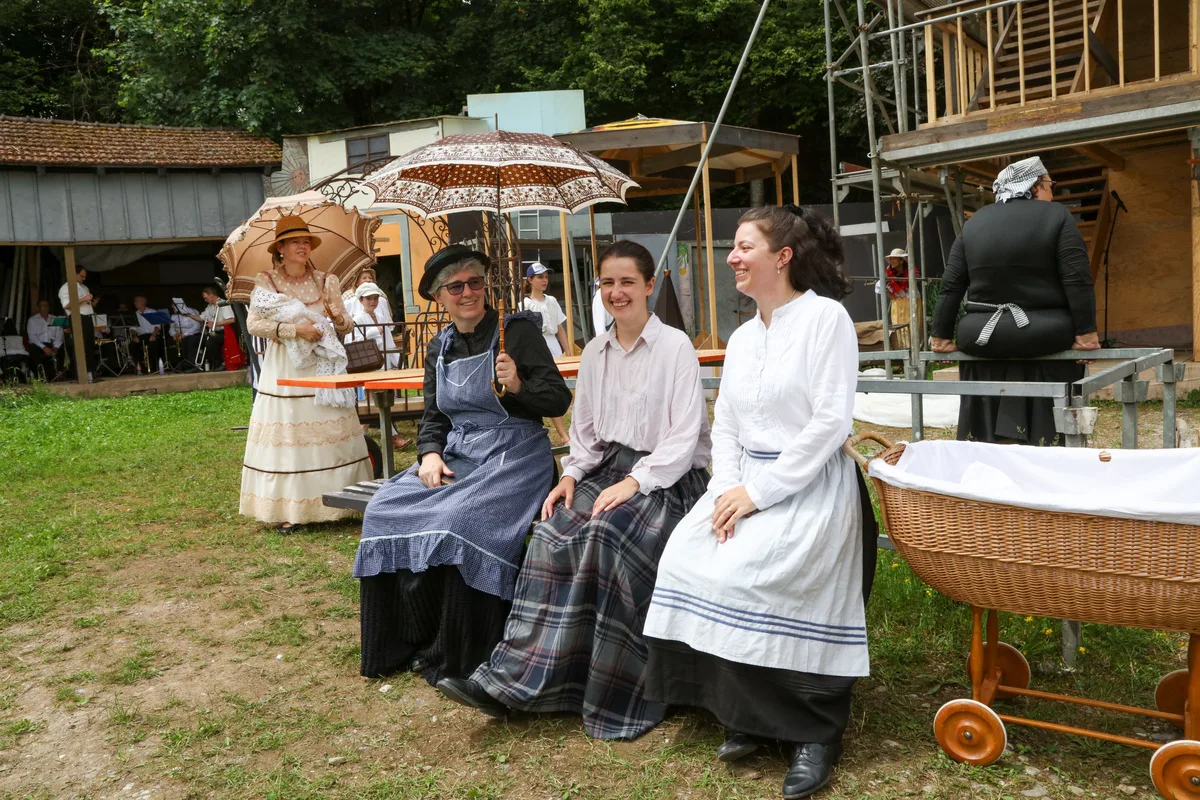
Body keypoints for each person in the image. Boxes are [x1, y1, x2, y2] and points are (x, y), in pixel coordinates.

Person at [642, 205, 878, 800]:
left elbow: (830, 424)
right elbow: (727, 426)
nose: (732, 257)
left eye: (744, 246)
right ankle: (749, 715)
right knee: (687, 560)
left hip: (811, 483)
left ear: (783, 256)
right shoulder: (744, 336)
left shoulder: (827, 321)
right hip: (743, 482)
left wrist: (761, 493)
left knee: (753, 575)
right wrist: (726, 492)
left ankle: (814, 733)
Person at [436, 240, 711, 739]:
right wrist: (569, 477)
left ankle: (615, 689)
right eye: (607, 282)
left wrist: (635, 482)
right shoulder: (597, 353)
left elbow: (683, 438)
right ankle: (513, 682)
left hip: (667, 479)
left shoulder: (675, 348)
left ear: (649, 286)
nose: (617, 292)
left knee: (604, 534)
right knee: (550, 531)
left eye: (627, 282)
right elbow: (584, 435)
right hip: (607, 471)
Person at [354, 245, 572, 686]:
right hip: (458, 453)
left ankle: (453, 649)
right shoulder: (439, 347)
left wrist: (518, 385)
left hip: (516, 455)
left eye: (475, 282)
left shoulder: (519, 332)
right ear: (440, 297)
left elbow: (557, 399)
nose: (469, 292)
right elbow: (434, 417)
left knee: (461, 520)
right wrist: (429, 453)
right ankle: (401, 642)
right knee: (383, 508)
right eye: (456, 287)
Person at [930, 155, 1100, 446]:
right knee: (1039, 342)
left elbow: (951, 286)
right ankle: (1045, 442)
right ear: (1034, 186)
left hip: (982, 335)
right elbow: (1077, 279)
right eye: (1050, 185)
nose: (1052, 192)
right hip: (1044, 332)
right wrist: (1086, 334)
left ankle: (987, 442)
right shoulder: (1057, 216)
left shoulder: (975, 222)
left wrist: (941, 337)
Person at [239, 215, 373, 534]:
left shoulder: (327, 280)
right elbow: (254, 325)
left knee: (331, 432)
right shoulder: (266, 282)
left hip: (322, 365)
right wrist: (293, 329)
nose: (303, 246)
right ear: (280, 248)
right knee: (292, 435)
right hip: (284, 364)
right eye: (295, 241)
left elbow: (346, 327)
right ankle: (293, 509)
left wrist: (337, 318)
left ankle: (343, 501)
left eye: (306, 241)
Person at [350, 281, 410, 450]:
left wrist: (395, 362)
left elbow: (388, 342)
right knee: (376, 399)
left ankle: (363, 437)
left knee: (378, 401)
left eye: (375, 298)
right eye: (369, 298)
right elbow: (354, 342)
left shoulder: (382, 317)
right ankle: (392, 436)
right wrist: (376, 331)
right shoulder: (357, 319)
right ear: (361, 300)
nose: (373, 301)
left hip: (383, 363)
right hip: (369, 365)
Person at [520, 262, 571, 445]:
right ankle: (563, 435)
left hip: (553, 346)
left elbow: (560, 329)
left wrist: (568, 352)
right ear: (530, 280)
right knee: (545, 389)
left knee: (559, 389)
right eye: (540, 277)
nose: (544, 280)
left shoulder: (551, 301)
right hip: (536, 348)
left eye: (546, 276)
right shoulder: (523, 304)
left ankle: (569, 433)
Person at [58, 265, 99, 382]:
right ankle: (81, 375)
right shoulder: (66, 288)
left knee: (90, 346)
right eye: (82, 276)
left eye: (85, 277)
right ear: (74, 274)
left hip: (88, 317)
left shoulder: (84, 287)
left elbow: (86, 303)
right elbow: (67, 305)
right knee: (81, 346)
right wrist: (84, 299)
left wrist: (92, 303)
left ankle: (91, 373)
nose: (83, 279)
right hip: (78, 318)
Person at [195, 286, 235, 371]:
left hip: (224, 332)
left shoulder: (223, 303)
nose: (205, 300)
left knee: (210, 342)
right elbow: (201, 317)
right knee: (200, 340)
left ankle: (222, 363)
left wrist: (215, 324)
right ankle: (206, 364)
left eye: (206, 298)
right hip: (215, 332)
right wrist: (188, 315)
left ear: (212, 295)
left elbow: (232, 319)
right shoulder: (209, 307)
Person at [27, 299, 66, 380]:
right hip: (39, 345)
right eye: (42, 306)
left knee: (63, 347)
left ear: (49, 307)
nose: (44, 308)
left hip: (53, 344)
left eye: (46, 305)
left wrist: (55, 347)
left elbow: (60, 335)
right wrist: (44, 348)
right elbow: (32, 337)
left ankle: (58, 374)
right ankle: (40, 376)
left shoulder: (55, 319)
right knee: (33, 351)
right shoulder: (32, 320)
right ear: (38, 308)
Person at [130, 295, 165, 373]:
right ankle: (140, 368)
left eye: (137, 301)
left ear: (143, 302)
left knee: (152, 346)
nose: (135, 303)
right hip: (141, 336)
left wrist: (154, 335)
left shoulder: (152, 311)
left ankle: (152, 368)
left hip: (153, 334)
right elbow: (132, 328)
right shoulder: (135, 314)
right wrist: (135, 336)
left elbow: (157, 326)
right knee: (132, 345)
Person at [169, 299, 203, 370]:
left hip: (193, 334)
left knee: (189, 340)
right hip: (180, 335)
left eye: (173, 306)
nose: (172, 308)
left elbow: (196, 327)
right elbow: (171, 328)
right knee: (170, 342)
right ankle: (177, 364)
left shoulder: (191, 312)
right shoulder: (173, 316)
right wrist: (174, 335)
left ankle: (190, 363)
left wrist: (184, 334)